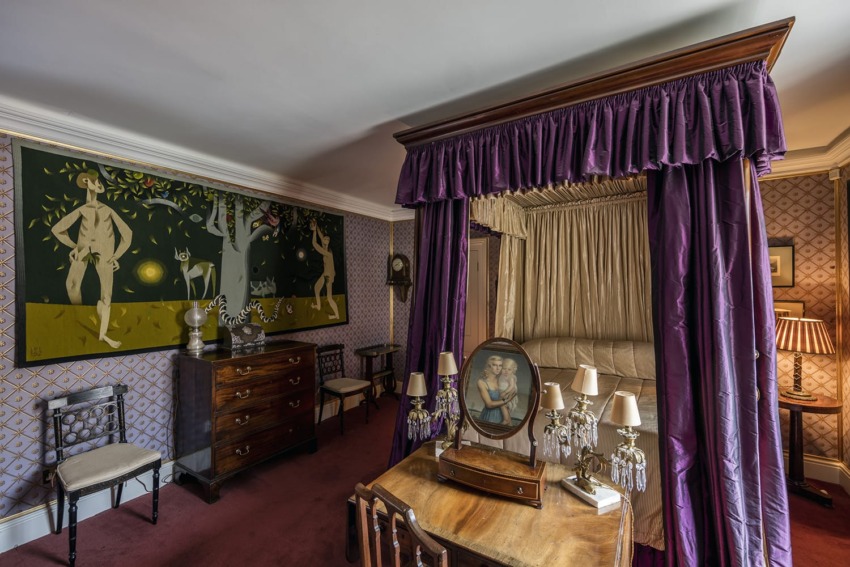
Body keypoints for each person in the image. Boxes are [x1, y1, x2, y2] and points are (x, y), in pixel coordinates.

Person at [51, 169, 132, 348]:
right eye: (96, 182)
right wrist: (74, 246)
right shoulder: (83, 210)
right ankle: (79, 321)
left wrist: (116, 255)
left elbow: (127, 233)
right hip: (83, 250)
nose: (99, 185)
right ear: (88, 182)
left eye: (100, 182)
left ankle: (103, 335)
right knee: (71, 285)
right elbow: (57, 229)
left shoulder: (108, 210)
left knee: (106, 295)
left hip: (104, 253)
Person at [310, 219, 339, 319]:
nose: (325, 239)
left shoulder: (327, 253)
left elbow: (314, 243)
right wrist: (316, 226)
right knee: (316, 288)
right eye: (324, 238)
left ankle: (336, 315)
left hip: (328, 276)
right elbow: (321, 235)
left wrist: (313, 231)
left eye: (327, 239)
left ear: (329, 242)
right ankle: (318, 306)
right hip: (325, 273)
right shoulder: (326, 247)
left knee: (329, 297)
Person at [476, 355, 516, 424]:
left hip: (502, 415)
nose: (498, 368)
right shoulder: (482, 382)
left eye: (500, 365)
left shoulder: (501, 380)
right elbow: (489, 404)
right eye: (495, 365)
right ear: (489, 366)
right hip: (490, 416)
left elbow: (512, 391)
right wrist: (506, 400)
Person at [498, 357, 519, 426]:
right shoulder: (501, 376)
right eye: (504, 369)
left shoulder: (510, 377)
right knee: (504, 408)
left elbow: (511, 387)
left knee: (502, 405)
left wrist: (505, 392)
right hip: (502, 393)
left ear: (513, 370)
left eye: (509, 369)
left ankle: (506, 420)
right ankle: (509, 423)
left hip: (509, 394)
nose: (506, 371)